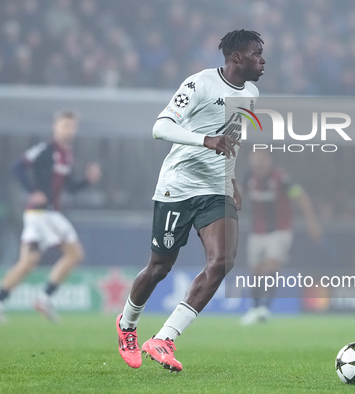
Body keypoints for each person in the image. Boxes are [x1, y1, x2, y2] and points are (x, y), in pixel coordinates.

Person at [116, 29, 265, 372]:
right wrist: (204, 140)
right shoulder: (199, 84)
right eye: (257, 53)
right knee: (159, 268)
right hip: (178, 186)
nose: (263, 60)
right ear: (237, 58)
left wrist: (231, 180)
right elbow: (161, 127)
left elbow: (232, 137)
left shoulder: (252, 93)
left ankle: (165, 339)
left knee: (222, 261)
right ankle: (127, 326)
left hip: (216, 189)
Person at [0, 110, 101, 323]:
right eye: (65, 126)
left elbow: (70, 188)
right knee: (75, 254)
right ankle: (44, 297)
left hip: (39, 215)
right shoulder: (45, 149)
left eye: (72, 126)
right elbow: (17, 167)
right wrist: (32, 190)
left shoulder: (67, 155)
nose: (69, 130)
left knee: (28, 262)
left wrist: (87, 180)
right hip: (43, 213)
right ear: (55, 127)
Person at [240, 150, 322, 325]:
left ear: (269, 160)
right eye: (255, 158)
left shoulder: (281, 179)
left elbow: (301, 197)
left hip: (280, 230)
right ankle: (254, 309)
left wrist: (311, 222)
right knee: (255, 271)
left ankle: (265, 308)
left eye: (262, 158)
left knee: (271, 265)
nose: (258, 162)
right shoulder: (249, 178)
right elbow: (239, 196)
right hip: (256, 232)